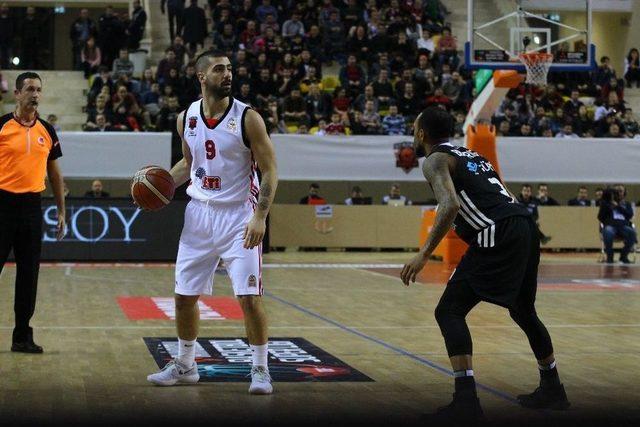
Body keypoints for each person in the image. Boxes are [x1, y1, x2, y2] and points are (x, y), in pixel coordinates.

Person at [401, 107, 569, 424]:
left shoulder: (434, 160)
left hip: (498, 231)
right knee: (523, 310)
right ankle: (553, 388)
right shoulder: (470, 154)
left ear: (421, 133)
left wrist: (423, 254)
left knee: (448, 310)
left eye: (414, 126)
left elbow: (449, 205)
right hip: (524, 224)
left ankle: (466, 401)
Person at [146, 51, 278, 395]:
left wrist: (261, 216)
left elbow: (270, 171)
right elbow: (189, 165)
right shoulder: (186, 117)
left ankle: (261, 369)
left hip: (239, 216)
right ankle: (186, 365)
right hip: (199, 215)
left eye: (230, 68)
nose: (228, 74)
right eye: (220, 69)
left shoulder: (248, 118)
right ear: (201, 75)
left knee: (249, 297)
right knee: (183, 296)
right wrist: (158, 189)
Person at [0, 72, 66, 353]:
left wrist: (62, 210)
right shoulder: (2, 126)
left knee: (29, 275)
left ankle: (22, 337)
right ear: (16, 93)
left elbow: (54, 173)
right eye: (29, 89)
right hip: (2, 206)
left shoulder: (48, 131)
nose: (35, 94)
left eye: (38, 89)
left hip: (31, 207)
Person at [598, 187, 636, 264]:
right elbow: (600, 217)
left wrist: (618, 206)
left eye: (620, 192)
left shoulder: (626, 204)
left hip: (622, 226)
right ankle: (610, 256)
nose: (617, 195)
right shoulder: (605, 203)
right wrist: (608, 207)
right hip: (610, 225)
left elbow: (630, 215)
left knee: (632, 233)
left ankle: (623, 256)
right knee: (608, 232)